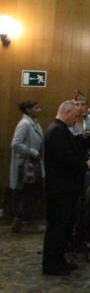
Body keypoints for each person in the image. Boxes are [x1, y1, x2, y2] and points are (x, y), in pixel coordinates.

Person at [42, 100, 90, 276]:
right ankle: (53, 264)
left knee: (63, 227)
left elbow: (71, 147)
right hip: (61, 189)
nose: (75, 120)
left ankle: (58, 260)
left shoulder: (58, 130)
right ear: (66, 113)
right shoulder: (57, 132)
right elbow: (66, 159)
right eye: (74, 117)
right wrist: (86, 164)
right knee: (59, 227)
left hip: (62, 188)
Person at [9, 100, 45, 233]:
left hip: (31, 164)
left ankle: (20, 220)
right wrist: (31, 151)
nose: (39, 110)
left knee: (29, 193)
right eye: (36, 108)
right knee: (27, 192)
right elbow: (16, 143)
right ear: (28, 110)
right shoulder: (25, 124)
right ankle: (24, 221)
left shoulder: (33, 123)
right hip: (25, 165)